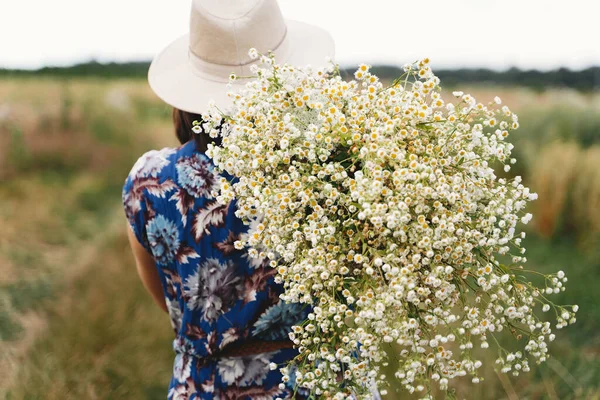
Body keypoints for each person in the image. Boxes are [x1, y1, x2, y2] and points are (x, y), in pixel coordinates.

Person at [121, 0, 334, 399]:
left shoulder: (150, 181)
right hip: (323, 385)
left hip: (207, 386)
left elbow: (166, 297)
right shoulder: (333, 171)